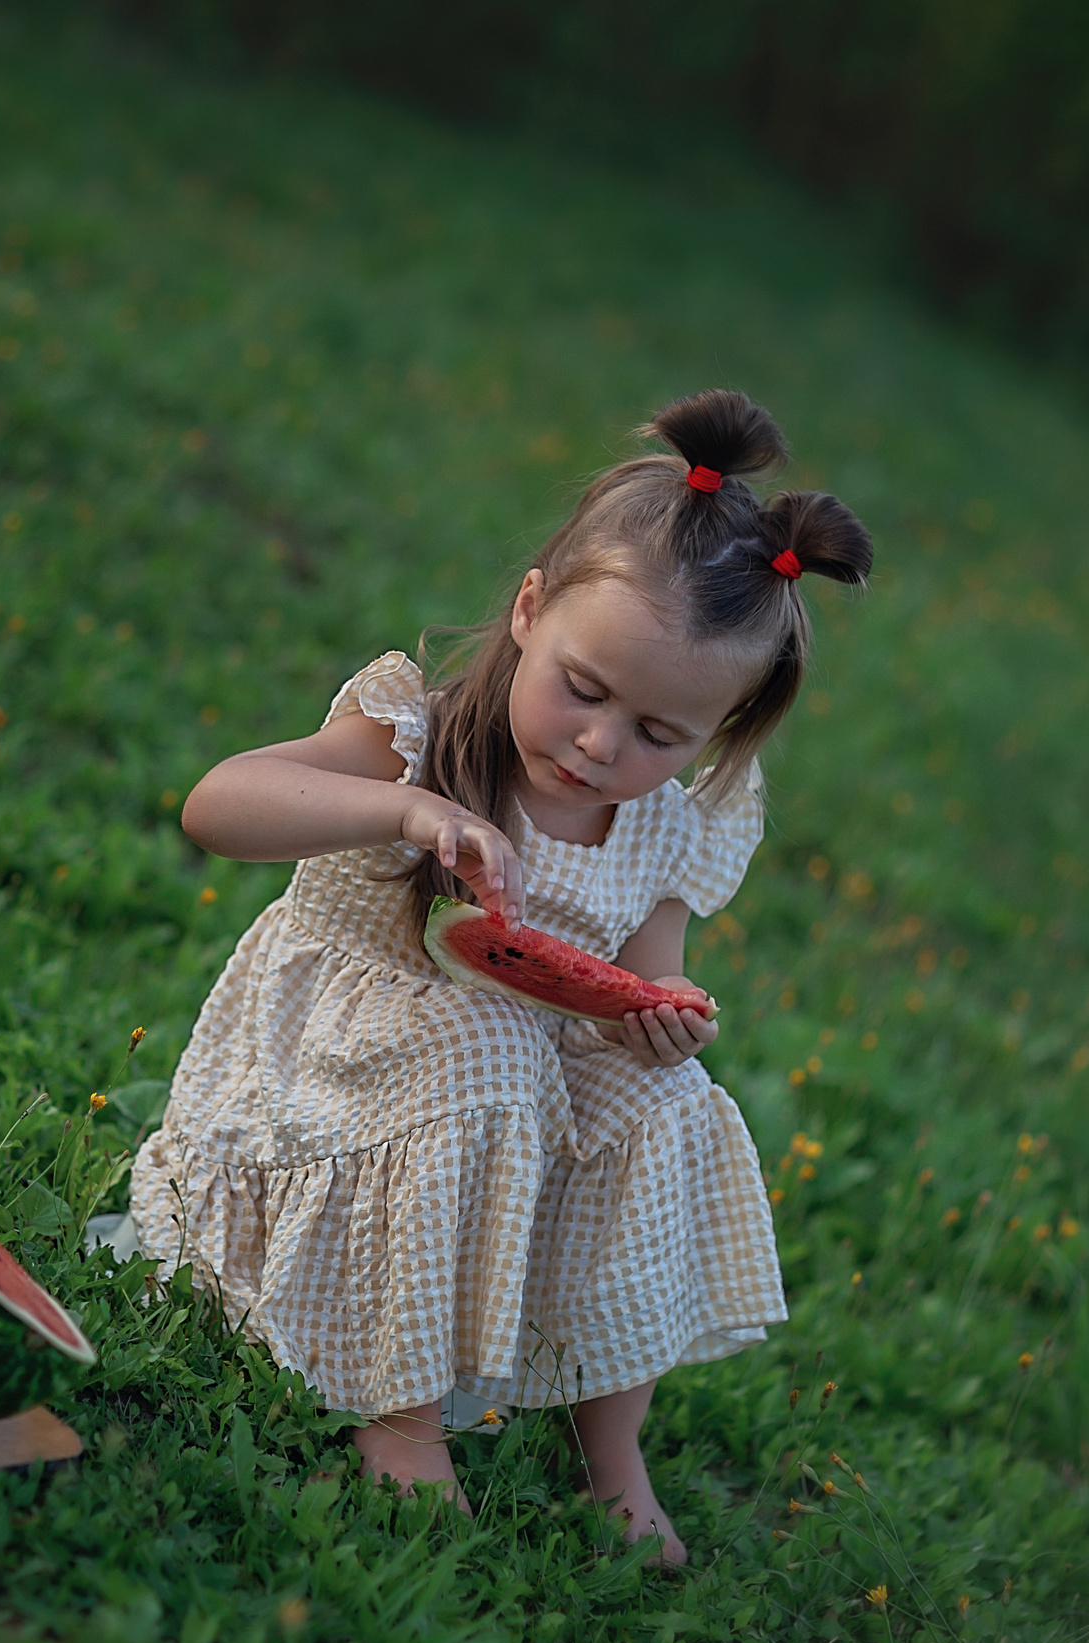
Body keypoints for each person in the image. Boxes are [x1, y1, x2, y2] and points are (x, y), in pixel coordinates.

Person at [129, 390, 873, 1563]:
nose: (598, 746)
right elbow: (214, 806)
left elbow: (639, 982)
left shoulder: (671, 830)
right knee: (490, 1044)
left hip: (513, 1086)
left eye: (658, 734)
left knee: (670, 1106)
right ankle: (404, 1416)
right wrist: (405, 809)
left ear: (718, 733)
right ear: (529, 611)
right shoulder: (411, 736)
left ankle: (611, 1457)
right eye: (583, 690)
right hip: (328, 1073)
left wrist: (665, 1027)